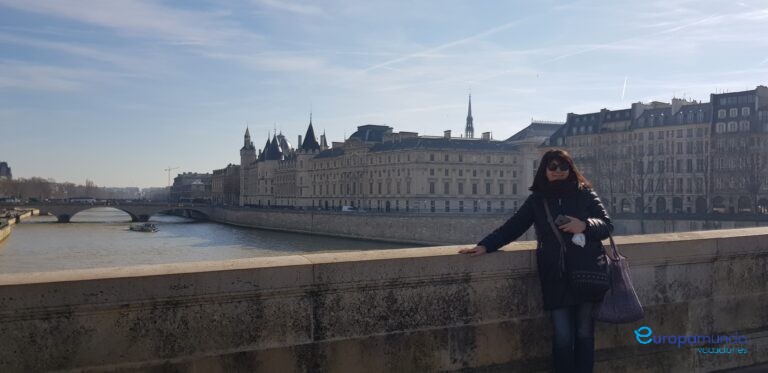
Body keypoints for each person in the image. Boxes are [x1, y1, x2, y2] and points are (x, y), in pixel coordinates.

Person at [459, 149, 613, 373]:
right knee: (562, 336)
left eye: (563, 167)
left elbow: (607, 225)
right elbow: (514, 227)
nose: (558, 171)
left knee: (584, 333)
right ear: (544, 171)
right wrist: (485, 245)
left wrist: (585, 225)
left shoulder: (585, 194)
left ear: (571, 169)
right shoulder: (537, 200)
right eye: (553, 167)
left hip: (586, 271)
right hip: (555, 276)